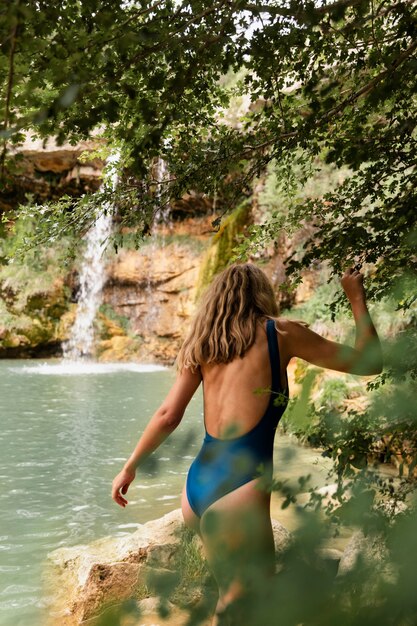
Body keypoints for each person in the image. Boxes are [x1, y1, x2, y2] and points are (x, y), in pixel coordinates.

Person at [111, 262, 382, 625]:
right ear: (262, 295)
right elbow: (370, 361)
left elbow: (167, 416)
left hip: (198, 486)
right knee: (240, 606)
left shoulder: (204, 344)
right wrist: (356, 297)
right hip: (239, 489)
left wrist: (130, 466)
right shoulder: (281, 333)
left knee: (247, 600)